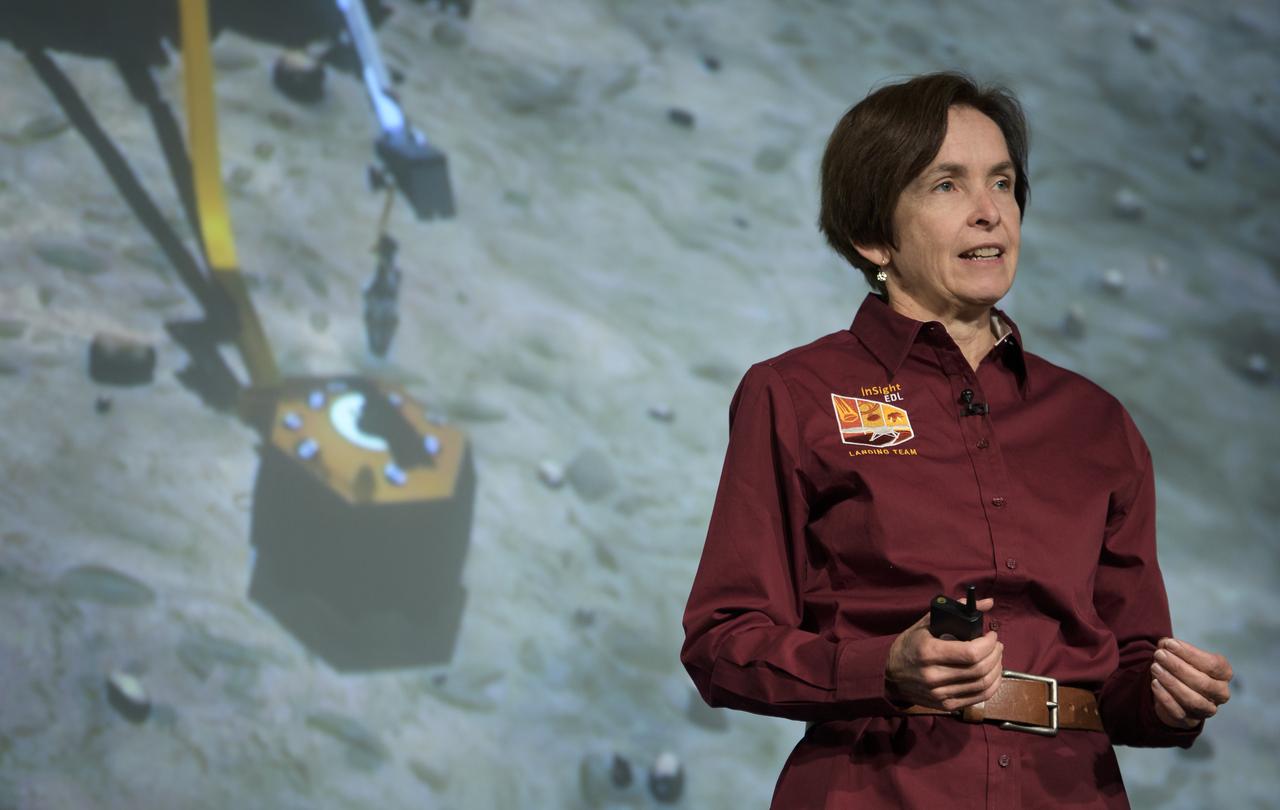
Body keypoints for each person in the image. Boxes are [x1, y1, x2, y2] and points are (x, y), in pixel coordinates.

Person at [679, 72, 1233, 809]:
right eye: (947, 186)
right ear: (873, 234)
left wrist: (1169, 698)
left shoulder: (1095, 421)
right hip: (877, 788)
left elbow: (1128, 666)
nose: (988, 214)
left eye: (1002, 183)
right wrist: (884, 667)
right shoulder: (796, 393)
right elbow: (722, 645)